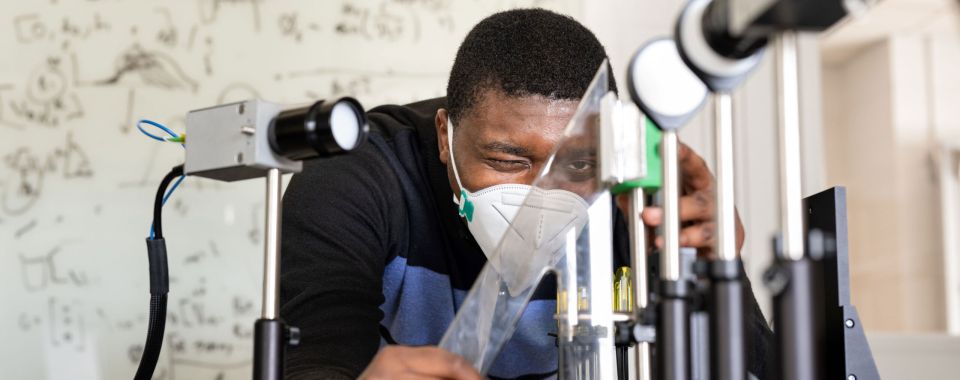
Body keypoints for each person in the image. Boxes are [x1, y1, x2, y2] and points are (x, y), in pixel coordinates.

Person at [280, 8, 773, 380]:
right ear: (443, 138)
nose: (541, 194)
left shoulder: (636, 201)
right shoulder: (359, 176)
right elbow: (315, 359)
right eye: (509, 160)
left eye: (576, 164)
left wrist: (710, 273)